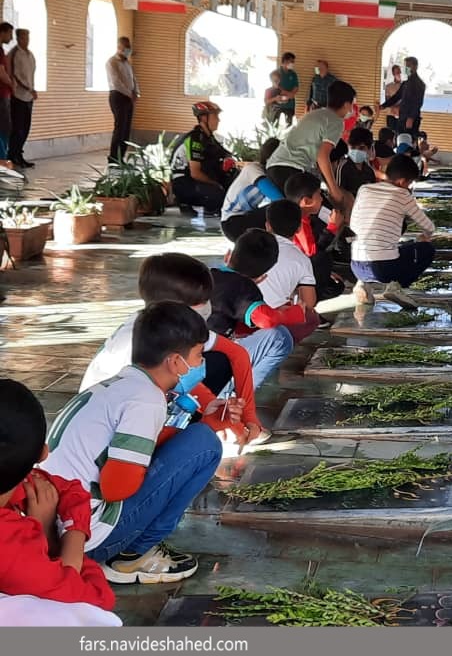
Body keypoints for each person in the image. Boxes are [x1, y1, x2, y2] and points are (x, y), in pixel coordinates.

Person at [42, 302, 225, 583]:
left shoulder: (119, 385)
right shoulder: (146, 400)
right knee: (205, 444)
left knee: (194, 438)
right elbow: (116, 488)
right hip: (85, 540)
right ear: (176, 362)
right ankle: (134, 553)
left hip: (57, 528)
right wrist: (159, 470)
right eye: (199, 355)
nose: (201, 364)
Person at [79, 253, 262, 444]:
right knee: (201, 445)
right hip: (105, 434)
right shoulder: (135, 347)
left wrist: (245, 417)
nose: (208, 307)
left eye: (208, 299)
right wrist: (208, 424)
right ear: (174, 308)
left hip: (127, 419)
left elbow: (235, 353)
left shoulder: (169, 326)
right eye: (200, 302)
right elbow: (136, 438)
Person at [0, 379, 118, 618]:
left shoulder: (19, 483)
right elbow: (96, 601)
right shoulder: (11, 549)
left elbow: (70, 491)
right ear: (43, 454)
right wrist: (49, 533)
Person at [207, 230, 305, 374]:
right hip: (206, 362)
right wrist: (293, 314)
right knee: (279, 336)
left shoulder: (208, 275)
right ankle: (237, 388)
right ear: (262, 276)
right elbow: (266, 319)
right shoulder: (243, 286)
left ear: (228, 255)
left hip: (180, 353)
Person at [350, 155, 436, 309]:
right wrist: (425, 237)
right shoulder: (403, 194)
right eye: (409, 183)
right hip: (384, 270)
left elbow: (353, 224)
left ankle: (362, 284)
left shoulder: (364, 189)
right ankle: (396, 286)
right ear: (402, 181)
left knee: (395, 247)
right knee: (426, 250)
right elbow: (429, 226)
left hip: (356, 265)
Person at [266, 80, 356, 212]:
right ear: (347, 104)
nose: (352, 110)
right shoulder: (336, 121)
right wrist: (334, 190)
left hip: (276, 166)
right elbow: (322, 156)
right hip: (291, 169)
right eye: (352, 105)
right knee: (328, 213)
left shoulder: (316, 114)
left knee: (298, 214)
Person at [258, 201, 320, 343]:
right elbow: (308, 303)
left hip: (240, 315)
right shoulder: (301, 259)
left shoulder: (249, 244)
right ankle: (280, 342)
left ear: (267, 225)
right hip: (270, 320)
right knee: (311, 318)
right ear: (299, 228)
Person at [284, 173, 348, 301]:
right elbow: (314, 254)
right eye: (319, 195)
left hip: (299, 268)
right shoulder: (299, 222)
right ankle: (307, 303)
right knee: (322, 259)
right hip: (296, 274)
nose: (322, 199)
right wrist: (333, 227)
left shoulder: (304, 218)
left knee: (336, 286)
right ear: (307, 201)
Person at [170, 102, 239, 216]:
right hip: (184, 182)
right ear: (203, 118)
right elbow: (195, 173)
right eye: (215, 116)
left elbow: (225, 153)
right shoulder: (195, 138)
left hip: (193, 181)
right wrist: (217, 185)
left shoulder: (209, 138)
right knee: (218, 194)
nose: (218, 120)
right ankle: (191, 204)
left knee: (232, 178)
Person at [220, 161, 284, 242]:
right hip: (232, 223)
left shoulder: (261, 173)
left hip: (239, 220)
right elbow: (279, 199)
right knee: (281, 209)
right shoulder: (253, 170)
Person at [105, 36, 139, 165]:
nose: (128, 50)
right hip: (118, 96)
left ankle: (121, 158)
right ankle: (113, 158)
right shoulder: (111, 62)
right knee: (120, 128)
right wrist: (129, 94)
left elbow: (133, 79)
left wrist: (136, 92)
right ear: (119, 47)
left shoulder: (127, 63)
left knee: (126, 130)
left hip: (129, 97)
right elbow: (116, 82)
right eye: (126, 48)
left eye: (129, 48)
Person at [8, 28, 37, 169]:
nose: (26, 40)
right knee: (17, 129)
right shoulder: (15, 54)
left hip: (28, 97)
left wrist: (31, 90)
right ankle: (12, 155)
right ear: (18, 38)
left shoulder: (30, 55)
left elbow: (31, 75)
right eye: (24, 38)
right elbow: (15, 75)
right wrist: (28, 89)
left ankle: (19, 155)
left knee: (25, 128)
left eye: (28, 38)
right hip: (18, 96)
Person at [379, 56, 425, 139]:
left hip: (410, 119)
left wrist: (411, 118)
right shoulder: (405, 83)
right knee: (400, 139)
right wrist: (383, 106)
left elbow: (418, 103)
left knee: (408, 141)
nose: (407, 68)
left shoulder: (419, 84)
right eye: (406, 66)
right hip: (402, 117)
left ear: (415, 66)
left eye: (409, 66)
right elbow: (396, 97)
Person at [337, 126, 377, 197]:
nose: (356, 151)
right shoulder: (343, 167)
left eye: (361, 148)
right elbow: (338, 194)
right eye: (353, 147)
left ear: (369, 149)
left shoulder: (369, 172)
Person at [0, 22, 13, 163]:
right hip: (1, 95)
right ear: (2, 33)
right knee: (4, 128)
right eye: (9, 34)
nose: (11, 37)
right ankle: (2, 160)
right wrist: (11, 84)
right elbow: (1, 72)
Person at [274, 52, 299, 125]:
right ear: (285, 61)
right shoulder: (276, 73)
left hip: (290, 106)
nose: (293, 63)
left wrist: (289, 94)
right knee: (276, 127)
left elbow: (296, 88)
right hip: (278, 106)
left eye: (293, 62)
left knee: (289, 127)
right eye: (292, 61)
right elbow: (276, 88)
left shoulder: (293, 74)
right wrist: (289, 94)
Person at [383, 65, 402, 131]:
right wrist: (394, 108)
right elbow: (388, 101)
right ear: (393, 73)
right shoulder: (388, 86)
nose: (399, 73)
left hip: (402, 114)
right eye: (397, 72)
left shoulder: (405, 85)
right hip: (390, 114)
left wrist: (399, 108)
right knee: (390, 132)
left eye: (400, 71)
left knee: (400, 132)